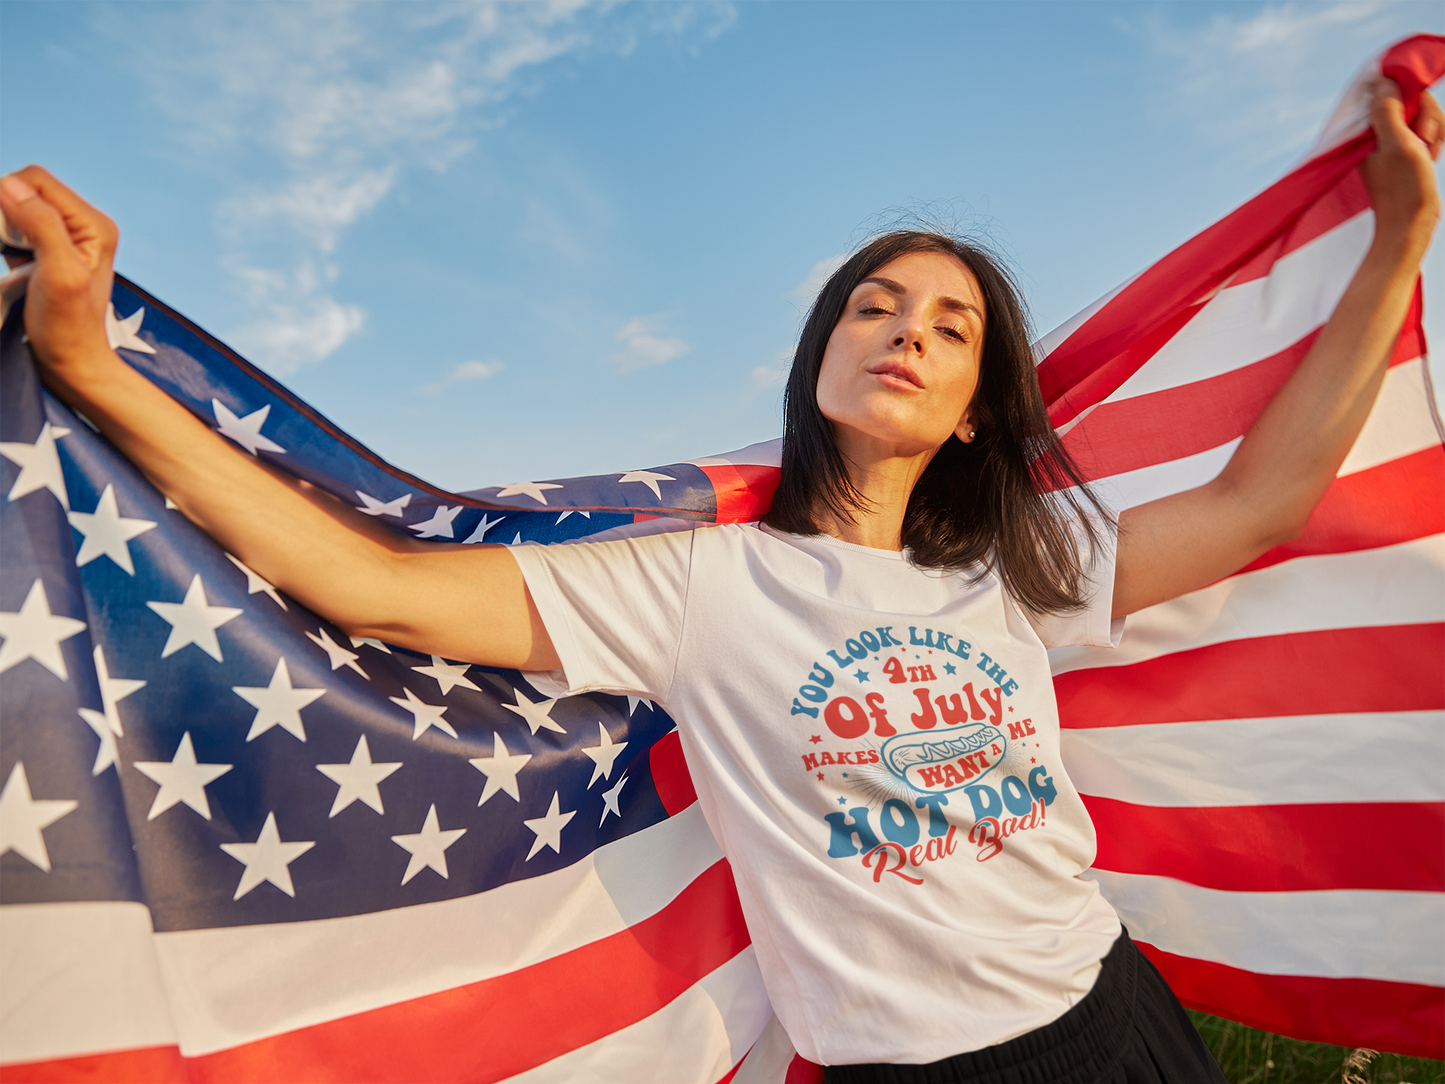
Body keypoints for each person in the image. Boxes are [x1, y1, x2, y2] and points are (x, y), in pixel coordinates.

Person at [1, 81, 1438, 1083]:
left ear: (978, 408)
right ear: (818, 356)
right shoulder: (703, 584)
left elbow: (1262, 504)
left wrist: (1399, 241)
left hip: (1110, 1008)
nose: (908, 332)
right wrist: (90, 369)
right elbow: (376, 587)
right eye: (874, 305)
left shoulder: (1016, 580)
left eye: (950, 326)